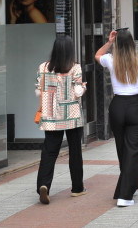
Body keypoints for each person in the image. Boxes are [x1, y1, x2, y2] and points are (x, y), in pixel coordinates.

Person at [95, 28, 138, 208]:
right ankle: (125, 195)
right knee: (133, 149)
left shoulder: (111, 59)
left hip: (117, 107)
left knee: (122, 149)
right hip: (136, 106)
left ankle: (131, 184)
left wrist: (109, 42)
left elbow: (97, 55)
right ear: (132, 42)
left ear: (116, 43)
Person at [36, 35, 87, 205]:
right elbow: (78, 92)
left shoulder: (43, 67)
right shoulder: (75, 68)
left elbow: (38, 91)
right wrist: (83, 87)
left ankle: (44, 185)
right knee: (75, 151)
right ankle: (77, 188)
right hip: (71, 113)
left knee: (49, 152)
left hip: (51, 114)